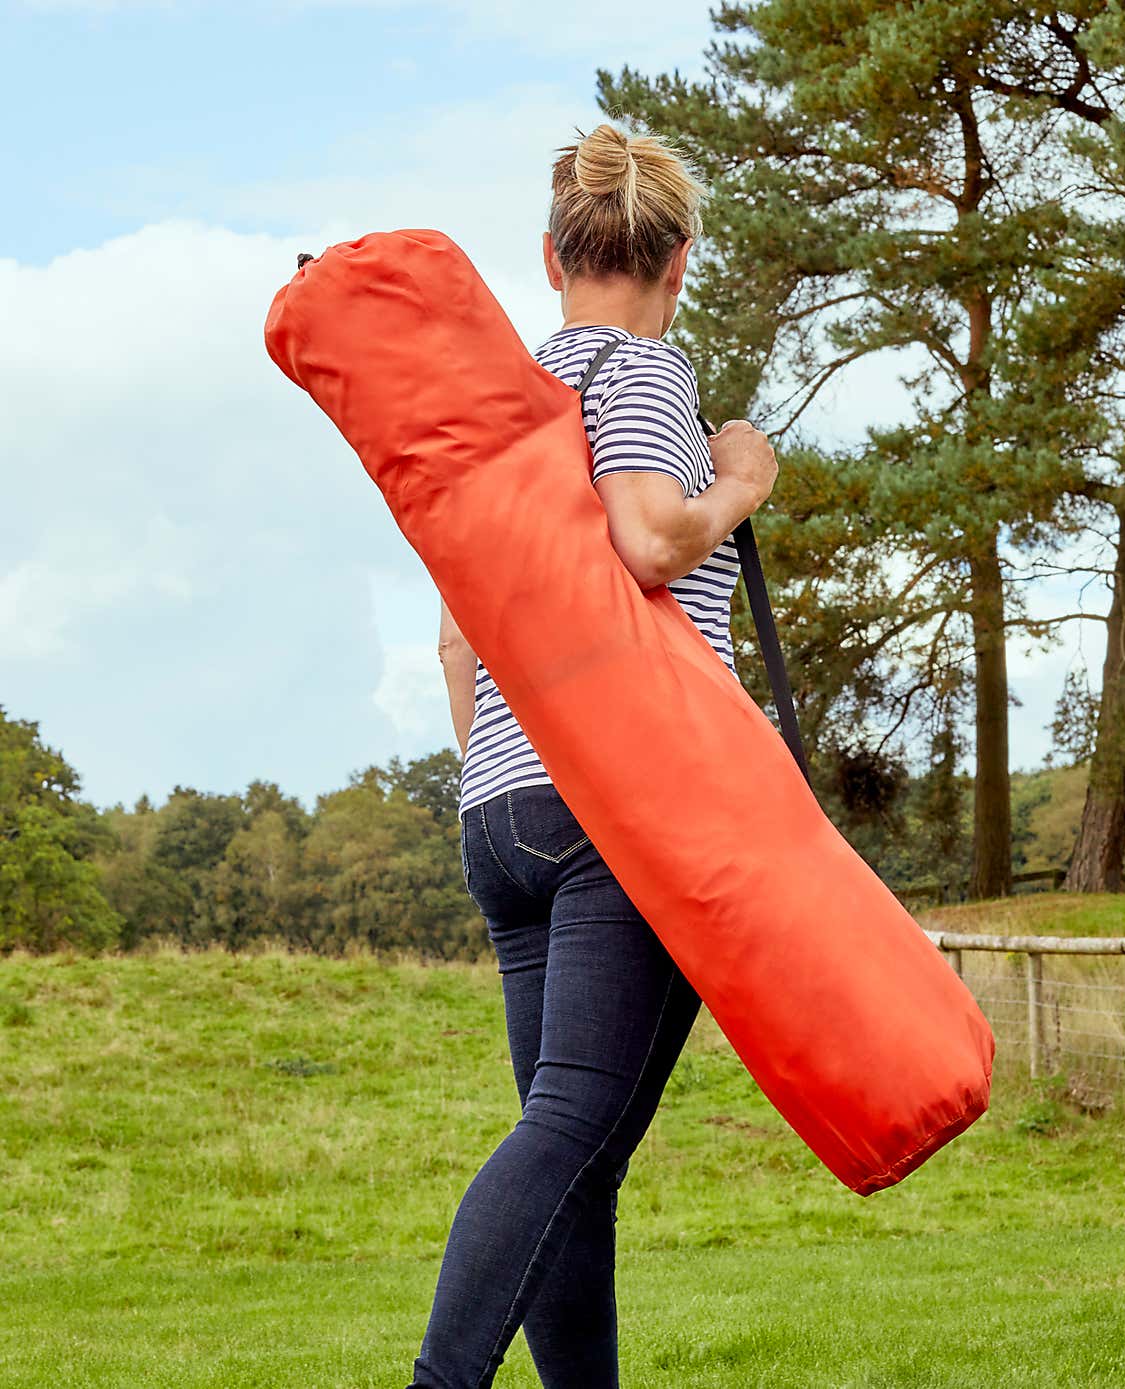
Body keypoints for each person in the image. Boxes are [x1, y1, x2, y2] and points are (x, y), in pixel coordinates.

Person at [411, 121, 779, 1389]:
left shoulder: (505, 406)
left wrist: (508, 780)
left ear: (551, 253)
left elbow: (458, 641)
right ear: (679, 259)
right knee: (574, 1126)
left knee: (577, 1155)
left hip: (500, 810)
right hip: (615, 807)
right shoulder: (639, 372)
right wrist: (738, 482)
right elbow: (650, 543)